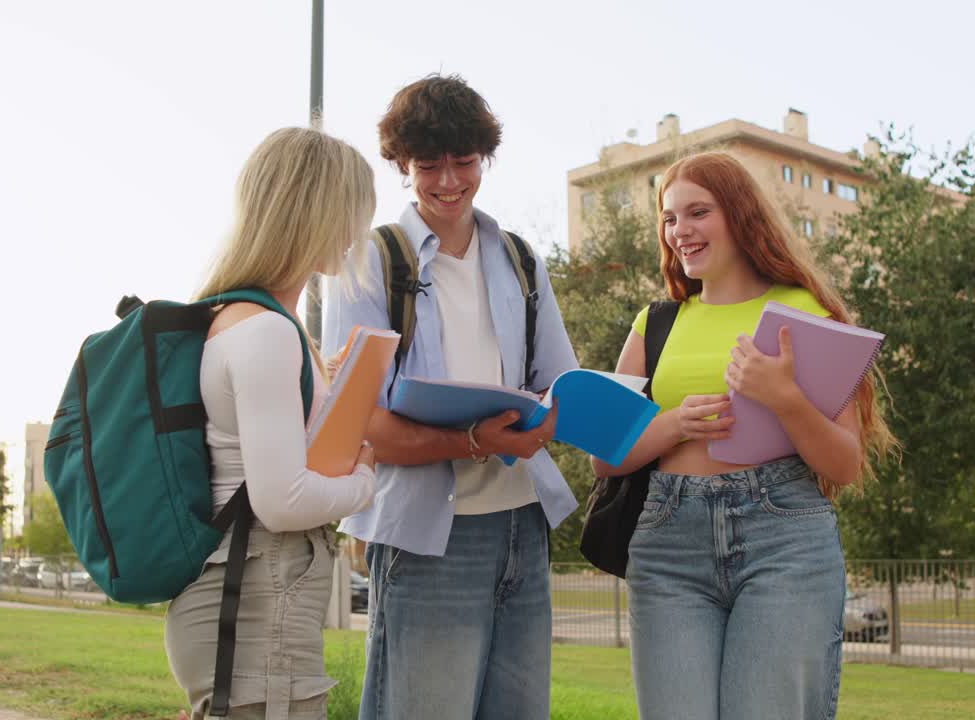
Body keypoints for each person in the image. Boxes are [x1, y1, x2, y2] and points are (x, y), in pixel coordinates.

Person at [593, 151, 898, 720]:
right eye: (669, 218)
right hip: (668, 544)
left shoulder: (806, 313)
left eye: (697, 212)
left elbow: (846, 464)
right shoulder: (655, 322)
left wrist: (783, 397)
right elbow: (605, 461)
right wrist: (673, 425)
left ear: (738, 214)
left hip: (783, 539)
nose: (680, 231)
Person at [322, 74, 579, 720]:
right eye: (427, 166)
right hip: (427, 538)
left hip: (522, 525)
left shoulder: (521, 259)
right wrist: (470, 440)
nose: (447, 182)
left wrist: (549, 416)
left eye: (463, 163)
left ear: (484, 158)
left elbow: (559, 381)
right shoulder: (372, 261)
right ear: (401, 165)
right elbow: (365, 423)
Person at [164, 127, 378, 720]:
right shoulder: (266, 332)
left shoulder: (249, 320)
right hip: (258, 604)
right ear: (314, 211)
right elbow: (281, 501)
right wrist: (365, 479)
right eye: (352, 213)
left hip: (255, 601)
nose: (358, 232)